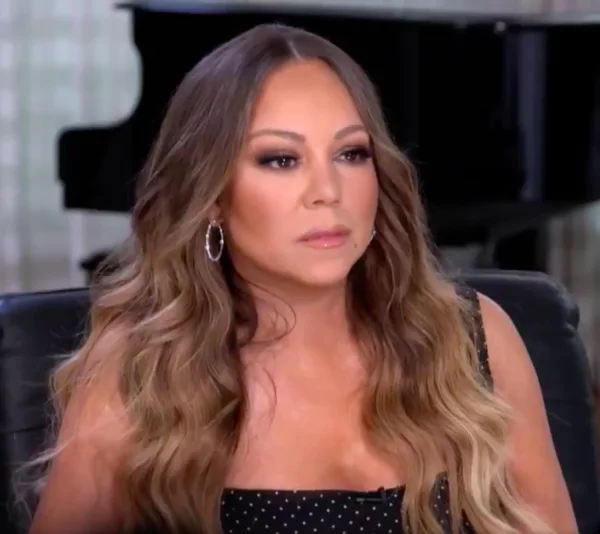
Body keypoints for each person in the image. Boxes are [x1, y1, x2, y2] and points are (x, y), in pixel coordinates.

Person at [28, 24, 576, 534]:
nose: (328, 191)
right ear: (211, 197)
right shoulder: (140, 372)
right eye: (281, 160)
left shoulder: (473, 337)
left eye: (351, 153)